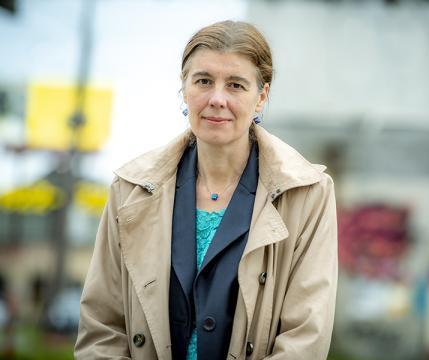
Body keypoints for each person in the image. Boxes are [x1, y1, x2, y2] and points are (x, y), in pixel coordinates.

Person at [75, 20, 337, 360]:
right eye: (203, 81)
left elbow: (306, 337)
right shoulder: (130, 190)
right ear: (184, 89)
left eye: (236, 85)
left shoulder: (308, 194)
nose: (217, 99)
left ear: (262, 97)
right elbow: (101, 327)